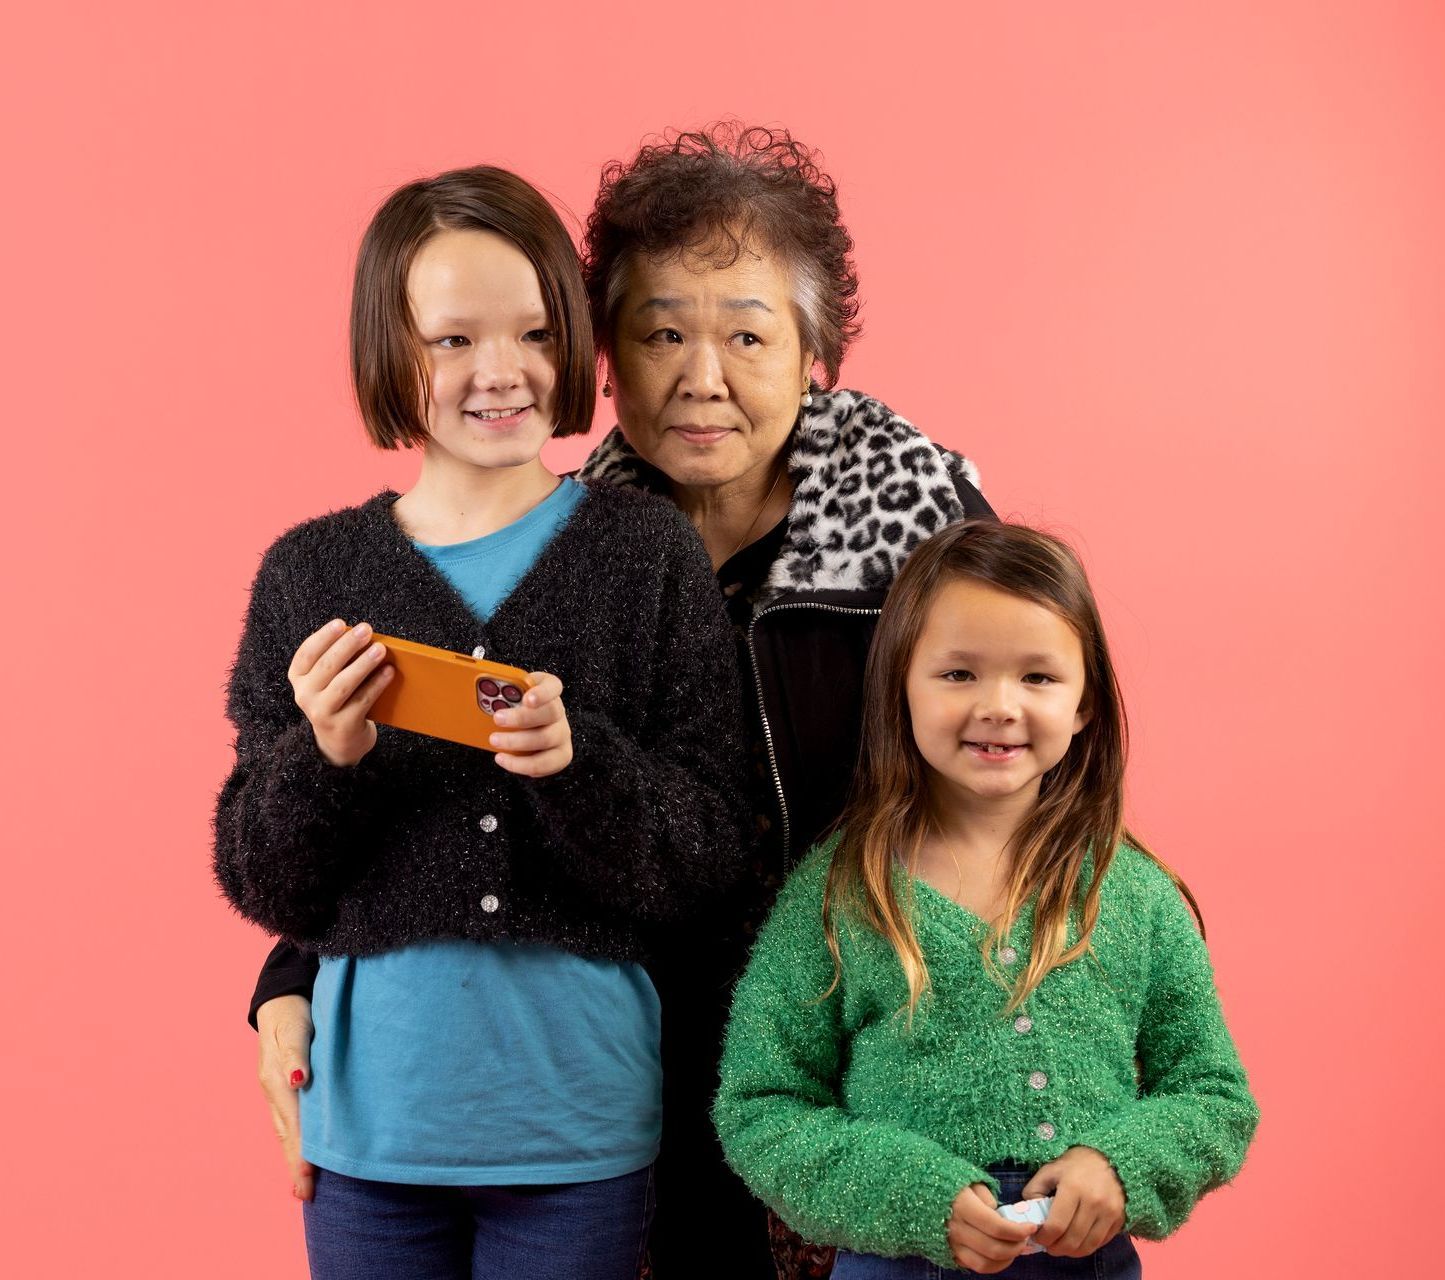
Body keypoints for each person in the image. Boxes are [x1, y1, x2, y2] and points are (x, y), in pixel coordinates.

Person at [244, 125, 995, 1278]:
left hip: (863, 1059)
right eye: (660, 332)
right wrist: (297, 975)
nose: (702, 376)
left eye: (747, 334)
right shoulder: (573, 522)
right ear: (605, 358)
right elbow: (414, 816)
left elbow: (1030, 782)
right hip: (632, 1070)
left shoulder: (924, 541)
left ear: (813, 353)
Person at [213, 164, 751, 1279]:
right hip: (367, 1135)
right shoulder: (309, 571)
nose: (500, 370)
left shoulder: (648, 555)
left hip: (584, 1127)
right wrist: (326, 758)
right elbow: (263, 880)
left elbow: (708, 853)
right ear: (387, 352)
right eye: (452, 339)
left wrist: (578, 763)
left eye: (534, 333)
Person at [713, 520, 1259, 1278]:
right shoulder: (836, 896)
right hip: (896, 1258)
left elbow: (1214, 1094)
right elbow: (761, 1106)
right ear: (898, 685)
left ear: (1085, 703)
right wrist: (910, 1195)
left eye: (1037, 678)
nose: (999, 706)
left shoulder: (1134, 894)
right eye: (958, 673)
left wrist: (1120, 1164)